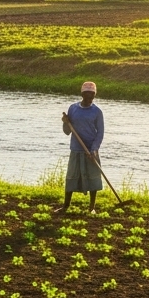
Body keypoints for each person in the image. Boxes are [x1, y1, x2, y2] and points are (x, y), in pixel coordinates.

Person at [57, 81, 105, 213]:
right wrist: (65, 123)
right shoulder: (73, 109)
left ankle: (92, 208)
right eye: (87, 93)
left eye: (92, 94)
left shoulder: (97, 112)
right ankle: (65, 206)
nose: (90, 96)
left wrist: (93, 149)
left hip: (91, 149)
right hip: (76, 148)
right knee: (71, 176)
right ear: (82, 94)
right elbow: (67, 131)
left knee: (93, 177)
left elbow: (100, 133)